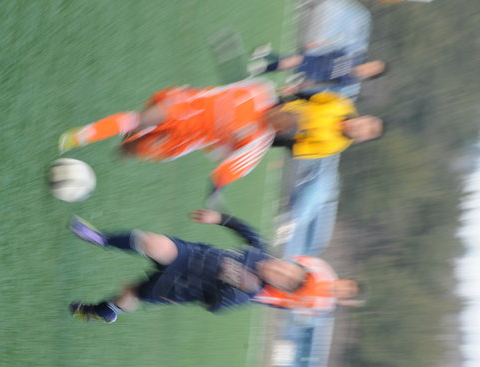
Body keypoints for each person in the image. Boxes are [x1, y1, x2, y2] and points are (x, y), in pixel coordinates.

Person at [58, 80, 382, 198]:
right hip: (186, 106)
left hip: (184, 141)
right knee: (141, 118)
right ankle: (80, 136)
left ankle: (127, 143)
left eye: (283, 126)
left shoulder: (258, 143)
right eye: (366, 124)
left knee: (131, 149)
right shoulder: (260, 92)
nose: (280, 121)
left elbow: (230, 170)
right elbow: (225, 90)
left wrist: (217, 186)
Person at [67, 209, 354, 323]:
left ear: (277, 286)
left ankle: (104, 311)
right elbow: (242, 227)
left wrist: (236, 285)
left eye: (282, 277)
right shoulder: (260, 251)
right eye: (284, 267)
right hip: (189, 255)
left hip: (177, 287)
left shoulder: (250, 291)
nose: (277, 270)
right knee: (152, 242)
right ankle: (101, 238)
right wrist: (219, 218)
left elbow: (215, 306)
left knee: (131, 293)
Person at [248, 44, 386, 97]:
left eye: (374, 70)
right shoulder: (355, 57)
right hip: (315, 60)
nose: (371, 67)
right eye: (374, 64)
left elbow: (327, 84)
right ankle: (261, 68)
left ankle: (266, 55)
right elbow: (333, 49)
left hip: (314, 76)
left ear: (371, 75)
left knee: (286, 62)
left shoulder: (351, 80)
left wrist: (302, 86)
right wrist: (316, 45)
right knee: (286, 63)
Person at [251, 255, 365, 316]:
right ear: (345, 279)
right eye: (349, 285)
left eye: (349, 292)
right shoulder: (322, 268)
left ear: (346, 297)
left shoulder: (325, 307)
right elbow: (292, 260)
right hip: (267, 270)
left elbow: (296, 310)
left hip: (262, 293)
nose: (344, 289)